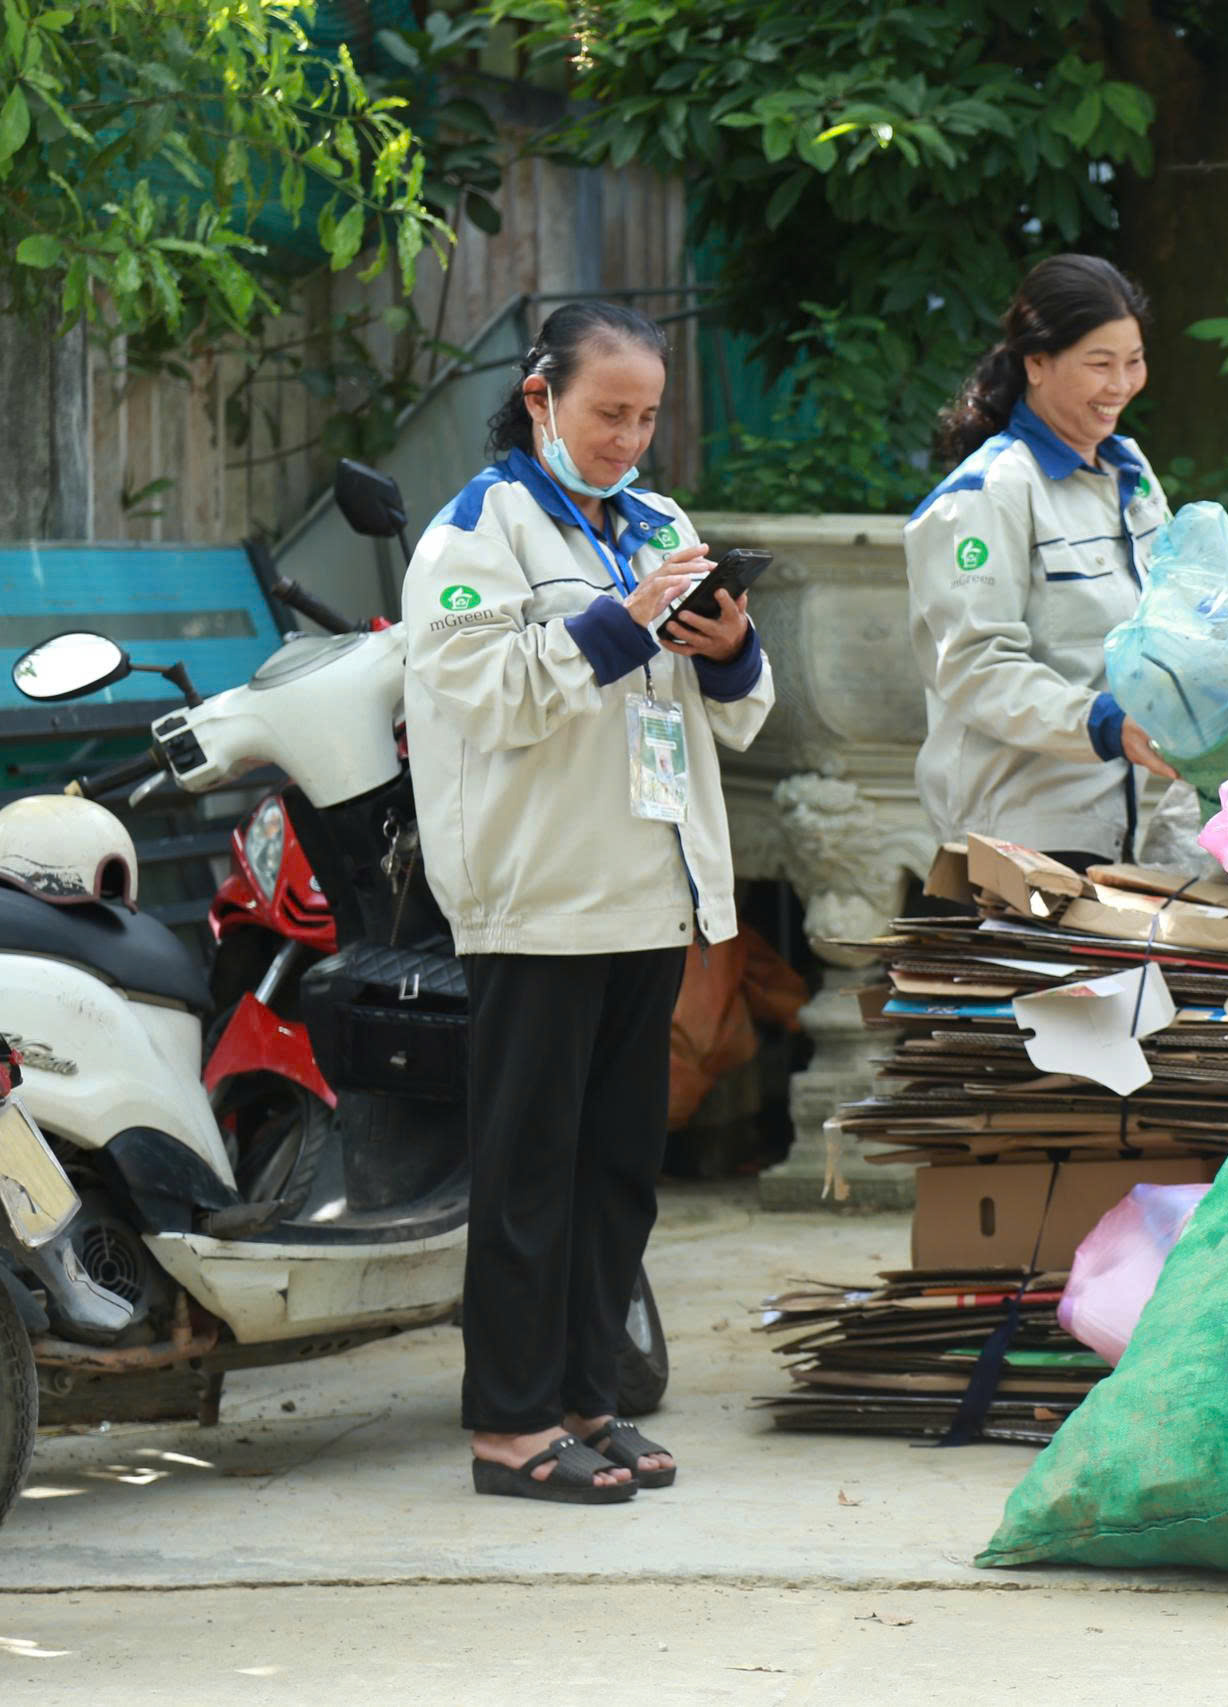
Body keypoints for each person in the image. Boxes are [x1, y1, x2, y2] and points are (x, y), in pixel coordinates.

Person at [404, 301, 773, 1504]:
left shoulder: (660, 521)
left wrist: (724, 644)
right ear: (540, 396)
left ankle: (585, 1399)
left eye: (646, 415)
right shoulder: (479, 529)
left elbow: (732, 707)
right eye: (607, 411)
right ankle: (508, 1432)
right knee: (526, 1175)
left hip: (649, 895)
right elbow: (485, 697)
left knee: (615, 1172)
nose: (628, 436)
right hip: (541, 897)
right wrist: (623, 619)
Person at [906, 254, 1178, 870]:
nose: (1121, 384)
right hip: (1016, 837)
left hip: (1112, 827)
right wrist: (1106, 724)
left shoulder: (1127, 473)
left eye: (1133, 362)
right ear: (1036, 363)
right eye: (1099, 364)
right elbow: (976, 665)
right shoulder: (986, 494)